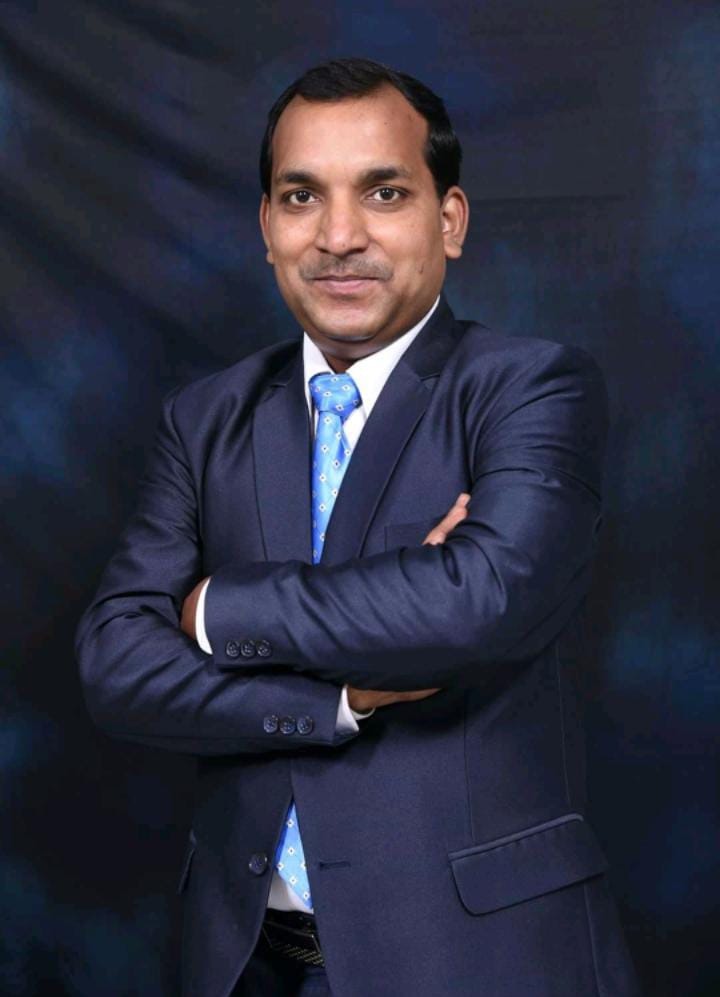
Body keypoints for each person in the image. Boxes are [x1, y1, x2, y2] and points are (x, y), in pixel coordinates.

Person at [76, 57, 640, 997]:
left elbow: (480, 602)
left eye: (383, 192)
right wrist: (344, 697)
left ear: (448, 220)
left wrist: (214, 610)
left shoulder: (532, 388)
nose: (339, 237)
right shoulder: (204, 418)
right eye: (303, 196)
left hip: (477, 961)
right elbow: (118, 666)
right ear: (267, 227)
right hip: (243, 962)